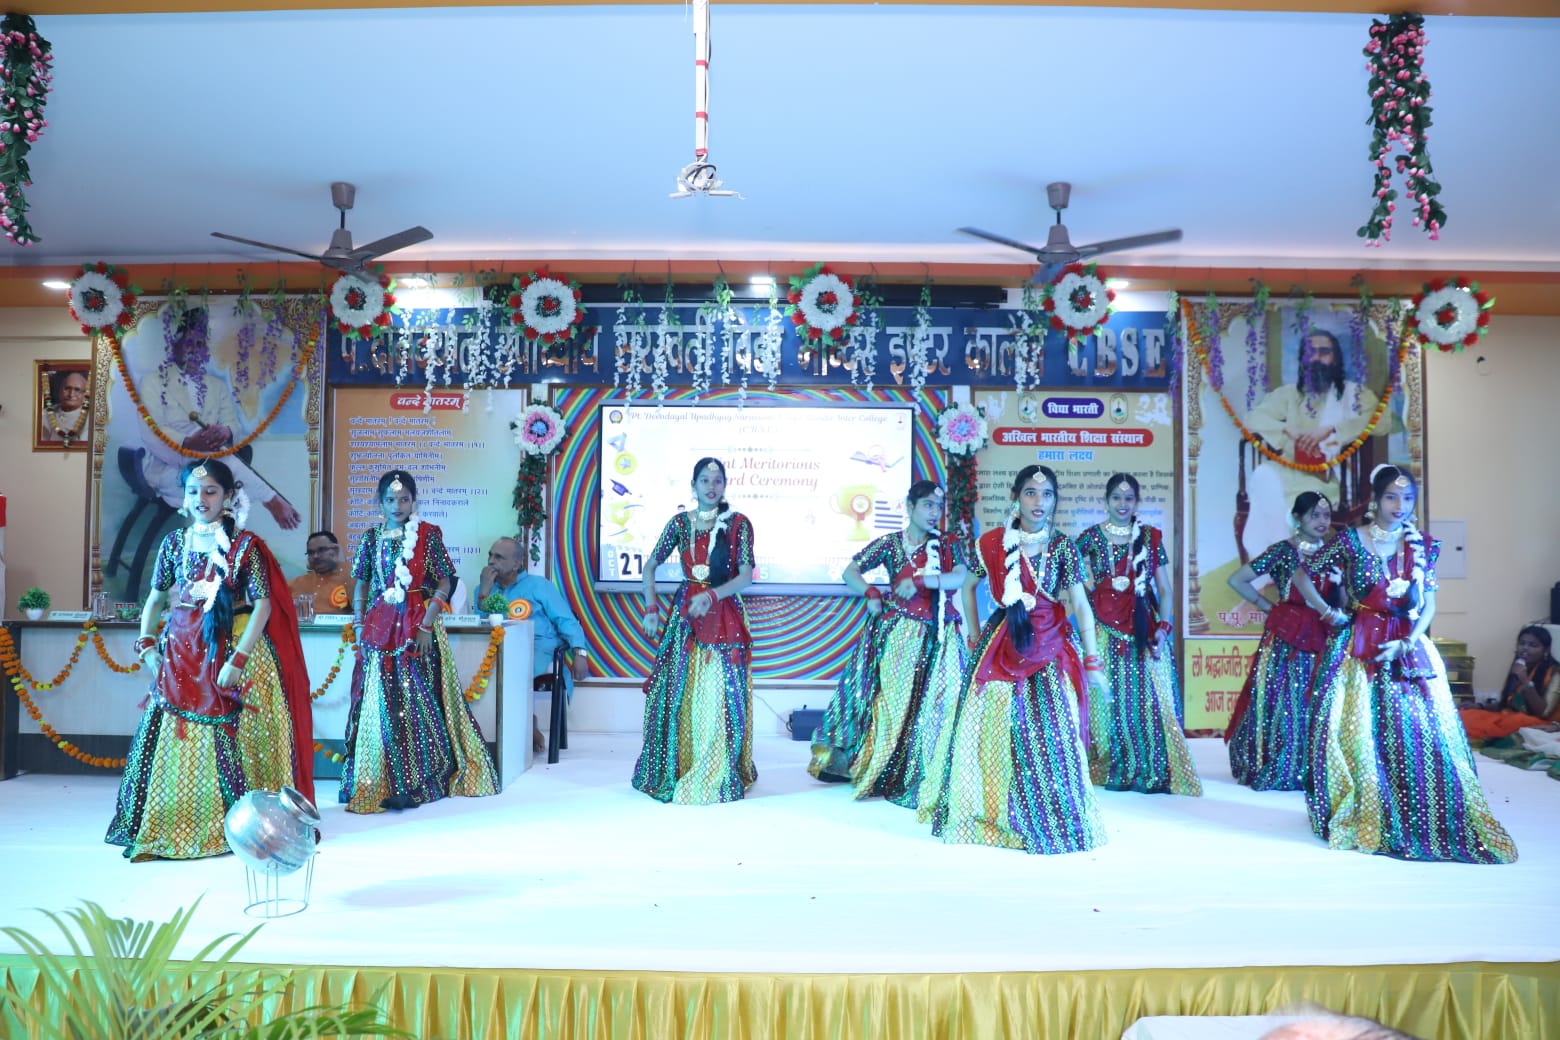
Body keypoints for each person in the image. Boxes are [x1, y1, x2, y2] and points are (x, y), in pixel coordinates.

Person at [1292, 464, 1516, 863]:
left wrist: (1408, 641)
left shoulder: (1423, 545)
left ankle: (1417, 810)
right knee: (1355, 733)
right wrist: (1328, 612)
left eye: (1408, 498)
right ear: (1375, 500)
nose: (1400, 505)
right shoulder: (1349, 540)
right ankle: (1366, 806)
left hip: (1407, 647)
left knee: (1418, 732)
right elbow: (1301, 574)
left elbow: (1429, 605)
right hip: (1356, 648)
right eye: (1392, 497)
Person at [106, 459, 314, 861]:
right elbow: (156, 598)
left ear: (228, 496)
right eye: (193, 491)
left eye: (211, 491)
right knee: (175, 738)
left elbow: (263, 605)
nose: (201, 498)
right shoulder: (173, 543)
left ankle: (246, 827)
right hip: (182, 652)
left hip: (233, 652)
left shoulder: (246, 546)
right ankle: (174, 822)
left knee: (239, 737)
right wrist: (147, 646)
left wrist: (238, 659)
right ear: (183, 498)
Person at [918, 465, 1111, 854]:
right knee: (992, 728)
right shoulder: (992, 543)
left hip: (1050, 646)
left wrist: (1092, 658)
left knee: (1051, 735)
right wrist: (974, 635)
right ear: (1016, 497)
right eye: (1030, 493)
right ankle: (992, 810)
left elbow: (1081, 606)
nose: (1039, 502)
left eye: (1047, 494)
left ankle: (1050, 813)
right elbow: (968, 587)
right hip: (1001, 643)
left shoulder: (1062, 547)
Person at [342, 470, 498, 813]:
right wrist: (358, 622)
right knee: (381, 703)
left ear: (414, 501)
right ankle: (380, 778)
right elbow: (362, 583)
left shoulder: (427, 534)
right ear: (380, 502)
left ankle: (420, 781)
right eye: (390, 500)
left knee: (417, 701)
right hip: (380, 626)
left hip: (417, 623)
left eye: (404, 499)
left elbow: (445, 582)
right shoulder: (371, 537)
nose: (397, 506)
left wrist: (427, 624)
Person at [807, 481, 969, 805]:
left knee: (943, 703)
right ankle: (883, 767)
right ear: (909, 507)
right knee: (894, 705)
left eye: (938, 507)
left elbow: (960, 577)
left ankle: (930, 773)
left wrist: (921, 581)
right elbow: (850, 571)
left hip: (941, 636)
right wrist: (870, 592)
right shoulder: (891, 543)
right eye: (927, 505)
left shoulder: (948, 543)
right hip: (899, 634)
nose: (934, 512)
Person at [632, 457, 757, 804]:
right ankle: (680, 764)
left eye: (717, 481)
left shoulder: (738, 524)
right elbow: (650, 567)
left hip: (725, 613)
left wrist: (713, 595)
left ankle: (715, 766)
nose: (711, 487)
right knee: (679, 690)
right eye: (704, 480)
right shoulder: (678, 523)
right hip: (686, 615)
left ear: (725, 485)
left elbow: (746, 576)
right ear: (694, 485)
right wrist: (651, 609)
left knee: (718, 693)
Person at [1076, 473, 1202, 796]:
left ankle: (1152, 766)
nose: (1123, 504)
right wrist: (1094, 593)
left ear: (1136, 502)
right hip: (1104, 631)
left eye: (1129, 498)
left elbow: (1165, 589)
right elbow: (1072, 581)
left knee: (1151, 702)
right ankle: (1112, 764)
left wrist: (1164, 628)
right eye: (1116, 498)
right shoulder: (1090, 538)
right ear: (1106, 501)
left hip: (1144, 629)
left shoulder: (1149, 537)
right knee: (1108, 703)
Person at [134, 307, 302, 531]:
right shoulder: (153, 382)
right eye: (189, 343)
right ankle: (270, 499)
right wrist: (188, 443)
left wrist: (226, 432)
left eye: (200, 345)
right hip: (170, 468)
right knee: (219, 474)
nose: (194, 350)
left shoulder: (216, 386)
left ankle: (235, 530)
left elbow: (233, 426)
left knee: (218, 472)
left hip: (215, 465)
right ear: (175, 345)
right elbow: (152, 431)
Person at [1223, 492, 1339, 790]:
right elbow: (1237, 579)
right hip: (1287, 636)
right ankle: (1279, 761)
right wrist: (1267, 607)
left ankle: (1315, 765)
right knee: (1284, 701)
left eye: (1326, 515)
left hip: (1324, 633)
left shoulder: (1334, 552)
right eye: (1314, 515)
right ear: (1297, 518)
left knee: (1318, 700)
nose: (1322, 521)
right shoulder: (1284, 551)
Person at [1241, 329, 1382, 555]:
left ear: (1335, 358)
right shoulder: (1289, 394)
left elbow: (1382, 421)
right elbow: (1252, 419)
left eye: (1324, 352)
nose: (1316, 358)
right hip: (1289, 469)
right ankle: (1280, 555)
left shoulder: (1355, 394)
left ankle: (1290, 559)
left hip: (1330, 477)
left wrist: (1333, 430)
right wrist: (1287, 430)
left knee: (1302, 499)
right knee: (1262, 475)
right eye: (1310, 352)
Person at [475, 535, 590, 754]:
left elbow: (566, 620)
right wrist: (484, 592)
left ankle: (526, 723)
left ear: (516, 564)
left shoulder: (539, 586)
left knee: (510, 672)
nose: (491, 561)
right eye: (490, 555)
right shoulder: (484, 588)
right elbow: (479, 625)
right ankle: (490, 736)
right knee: (476, 669)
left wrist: (580, 652)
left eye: (498, 557)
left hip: (537, 647)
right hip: (496, 646)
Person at [1458, 625, 1560, 741]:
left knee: (1505, 723)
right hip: (1510, 717)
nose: (1525, 648)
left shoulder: (1555, 673)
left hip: (1543, 724)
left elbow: (1544, 713)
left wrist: (1525, 680)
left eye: (1533, 645)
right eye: (1522, 643)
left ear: (1546, 650)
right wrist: (1479, 706)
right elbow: (1507, 703)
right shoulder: (1521, 667)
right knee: (1462, 716)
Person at [288, 530, 351, 615]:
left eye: (322, 550)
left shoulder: (352, 581)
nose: (315, 556)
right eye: (311, 553)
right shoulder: (295, 584)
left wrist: (342, 563)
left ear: (336, 551)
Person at [39, 369, 89, 445]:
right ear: (60, 391)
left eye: (77, 390)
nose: (71, 394)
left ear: (85, 395)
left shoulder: (90, 418)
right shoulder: (45, 414)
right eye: (67, 388)